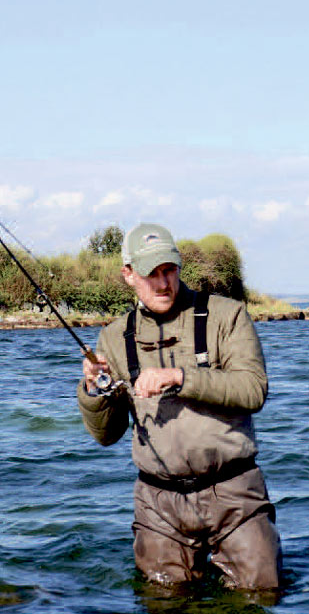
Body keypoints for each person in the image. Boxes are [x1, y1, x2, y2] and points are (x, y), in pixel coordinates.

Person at [77, 222, 282, 592]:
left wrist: (179, 377)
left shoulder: (227, 316)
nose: (162, 283)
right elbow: (107, 435)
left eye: (168, 270)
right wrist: (93, 391)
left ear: (178, 266)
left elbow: (253, 390)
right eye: (150, 274)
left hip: (235, 493)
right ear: (128, 275)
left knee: (261, 600)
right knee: (164, 611)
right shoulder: (112, 337)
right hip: (158, 504)